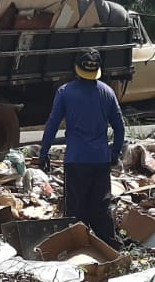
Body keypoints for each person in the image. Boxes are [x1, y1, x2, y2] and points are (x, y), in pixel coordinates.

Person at [39, 49, 126, 248]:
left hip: (76, 160)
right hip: (100, 160)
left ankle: (77, 249)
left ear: (76, 69)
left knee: (76, 210)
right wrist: (115, 153)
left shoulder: (65, 92)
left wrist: (44, 154)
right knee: (101, 208)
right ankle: (111, 249)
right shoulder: (107, 92)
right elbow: (120, 127)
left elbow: (52, 124)